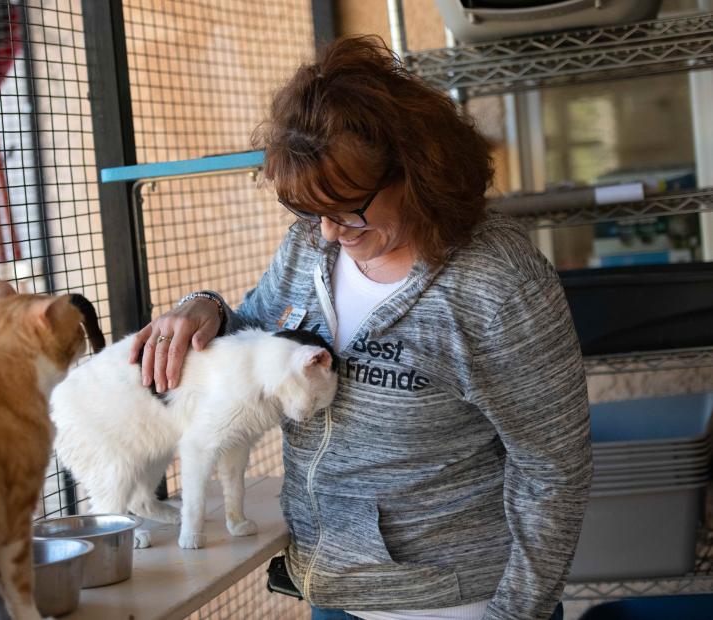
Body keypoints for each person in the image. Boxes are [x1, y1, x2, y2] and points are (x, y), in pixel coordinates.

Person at [129, 36, 592, 620]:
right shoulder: (309, 246)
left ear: (419, 172)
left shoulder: (499, 284)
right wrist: (207, 307)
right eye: (311, 212)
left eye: (348, 209)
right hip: (331, 589)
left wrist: (515, 612)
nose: (326, 232)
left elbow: (553, 466)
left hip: (455, 602)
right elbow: (255, 334)